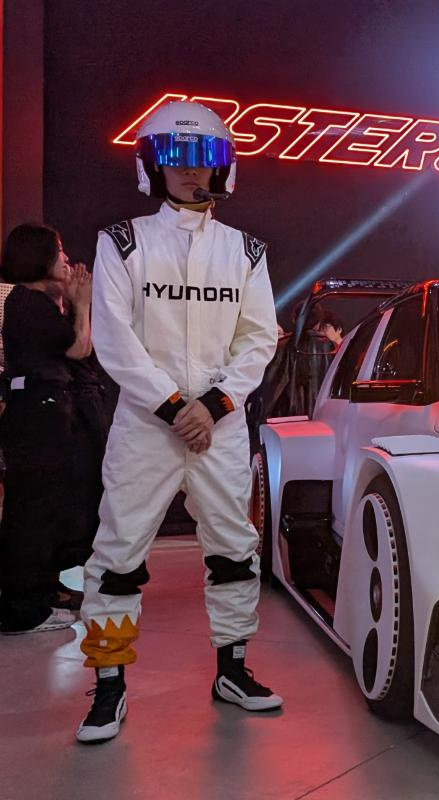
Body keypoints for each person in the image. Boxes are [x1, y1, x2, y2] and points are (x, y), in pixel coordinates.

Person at [76, 100, 281, 743]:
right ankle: (109, 686)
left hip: (219, 426)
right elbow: (115, 340)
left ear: (224, 166)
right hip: (147, 425)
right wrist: (173, 408)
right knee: (119, 552)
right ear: (152, 165)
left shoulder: (246, 250)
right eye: (176, 157)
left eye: (203, 158)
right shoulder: (122, 241)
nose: (191, 171)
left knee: (234, 549)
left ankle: (233, 671)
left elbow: (258, 340)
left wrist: (212, 407)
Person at [0, 224, 94, 633]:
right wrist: (81, 304)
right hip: (37, 415)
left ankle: (42, 590)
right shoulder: (27, 302)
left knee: (47, 505)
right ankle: (26, 608)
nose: (66, 258)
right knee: (34, 510)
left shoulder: (32, 301)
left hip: (40, 412)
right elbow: (79, 347)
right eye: (58, 250)